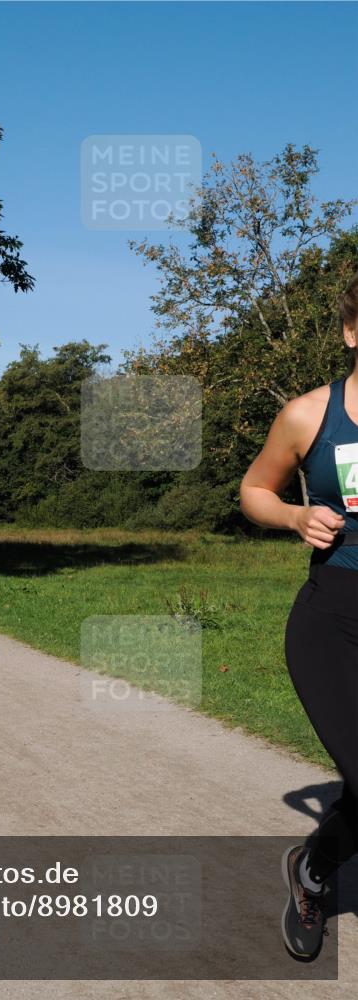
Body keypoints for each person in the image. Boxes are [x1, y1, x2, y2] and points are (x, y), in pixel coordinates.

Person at [240, 272, 358, 961]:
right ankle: (313, 877)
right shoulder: (309, 415)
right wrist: (290, 514)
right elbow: (254, 487)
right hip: (333, 621)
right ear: (350, 332)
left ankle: (312, 866)